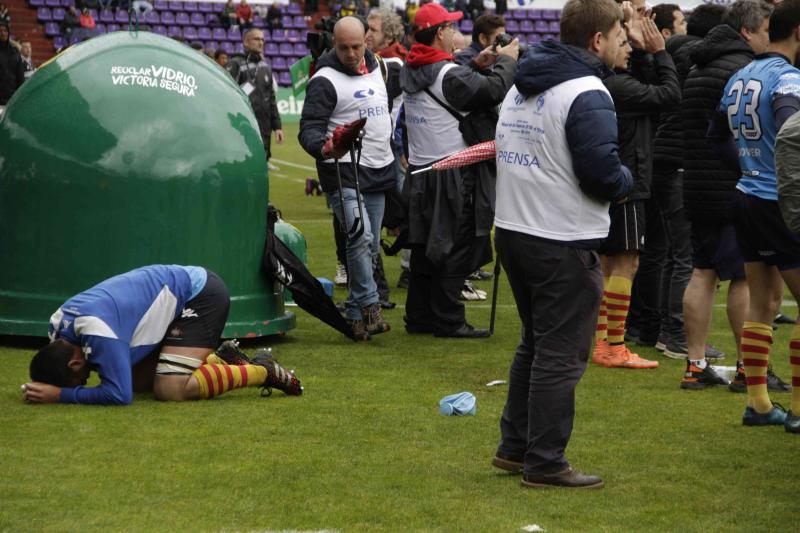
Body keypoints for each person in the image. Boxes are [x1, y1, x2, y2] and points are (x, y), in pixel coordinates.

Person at [492, 0, 631, 489]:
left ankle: (515, 447)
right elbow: (600, 173)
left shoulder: (523, 83)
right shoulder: (587, 91)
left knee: (535, 344)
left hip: (515, 228)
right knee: (561, 353)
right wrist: (626, 178)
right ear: (597, 40)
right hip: (561, 237)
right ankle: (546, 461)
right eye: (620, 34)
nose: (626, 43)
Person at [680, 0, 792, 391]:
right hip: (758, 193)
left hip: (713, 186)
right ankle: (768, 385)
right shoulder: (775, 75)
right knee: (753, 290)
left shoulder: (717, 68)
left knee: (712, 277)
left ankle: (712, 374)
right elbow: (789, 130)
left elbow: (713, 133)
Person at [400, 2, 517, 338]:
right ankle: (448, 319)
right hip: (454, 173)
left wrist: (477, 63)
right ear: (440, 33)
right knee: (458, 244)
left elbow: (460, 84)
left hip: (423, 172)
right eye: (449, 27)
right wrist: (507, 60)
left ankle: (419, 316)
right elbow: (492, 90)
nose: (454, 31)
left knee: (424, 247)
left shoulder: (412, 68)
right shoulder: (447, 74)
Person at [23, 265, 302, 405]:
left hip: (200, 294)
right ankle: (221, 359)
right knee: (139, 382)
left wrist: (61, 394)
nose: (86, 379)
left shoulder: (97, 331)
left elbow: (118, 396)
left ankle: (262, 371)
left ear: (74, 363)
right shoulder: (58, 326)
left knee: (169, 389)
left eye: (80, 378)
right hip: (172, 299)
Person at [710, 0, 800, 431]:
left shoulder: (740, 75)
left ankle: (760, 404)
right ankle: (798, 409)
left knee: (762, 304)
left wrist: (749, 168)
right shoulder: (788, 78)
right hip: (780, 202)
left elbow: (717, 135)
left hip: (746, 196)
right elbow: (789, 129)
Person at [592, 7, 680, 370]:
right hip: (629, 182)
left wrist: (641, 47)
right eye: (624, 42)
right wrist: (660, 53)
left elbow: (650, 88)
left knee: (609, 261)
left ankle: (599, 341)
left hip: (615, 179)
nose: (629, 49)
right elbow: (670, 96)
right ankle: (612, 345)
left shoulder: (610, 81)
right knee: (625, 263)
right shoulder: (620, 85)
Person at [636, 3, 726, 358]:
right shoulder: (694, 57)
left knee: (661, 252)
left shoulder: (674, 56)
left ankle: (654, 327)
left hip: (662, 161)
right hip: (676, 164)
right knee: (683, 256)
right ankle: (674, 334)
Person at [298, 17, 396, 341]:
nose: (352, 53)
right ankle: (370, 305)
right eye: (344, 47)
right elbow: (309, 128)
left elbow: (387, 109)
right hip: (342, 171)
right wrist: (323, 146)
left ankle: (353, 318)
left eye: (357, 46)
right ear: (334, 44)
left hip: (379, 168)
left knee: (367, 248)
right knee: (360, 237)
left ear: (367, 40)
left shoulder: (380, 68)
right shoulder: (323, 80)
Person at [226, 28, 284, 162]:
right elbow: (226, 94)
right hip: (242, 125)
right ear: (246, 42)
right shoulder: (235, 64)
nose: (261, 42)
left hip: (264, 126)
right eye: (256, 39)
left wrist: (277, 126)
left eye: (263, 39)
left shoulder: (265, 67)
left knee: (262, 163)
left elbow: (271, 99)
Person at [0, 21, 23, 107]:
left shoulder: (15, 51)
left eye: (5, 31)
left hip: (12, 98)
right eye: (0, 31)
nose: (3, 33)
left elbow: (20, 75)